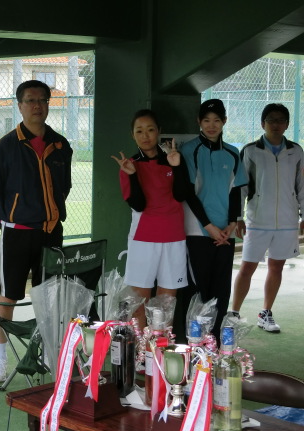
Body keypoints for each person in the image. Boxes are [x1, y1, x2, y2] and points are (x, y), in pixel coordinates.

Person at [0, 80, 72, 382]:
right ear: (20, 106)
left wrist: (50, 215)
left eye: (42, 100)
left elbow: (64, 187)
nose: (37, 105)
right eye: (30, 100)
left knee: (49, 296)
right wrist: (12, 221)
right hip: (16, 234)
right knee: (7, 297)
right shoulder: (5, 147)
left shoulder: (61, 144)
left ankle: (47, 351)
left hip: (51, 233)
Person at [112, 109, 199, 331]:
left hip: (173, 237)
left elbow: (181, 195)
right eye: (139, 131)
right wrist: (132, 175)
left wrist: (176, 166)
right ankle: (140, 347)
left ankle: (159, 347)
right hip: (143, 239)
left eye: (150, 130)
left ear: (159, 131)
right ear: (133, 135)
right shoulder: (129, 165)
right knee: (138, 300)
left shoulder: (173, 159)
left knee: (166, 301)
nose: (145, 135)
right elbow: (138, 205)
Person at [230, 103, 304, 333]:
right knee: (247, 267)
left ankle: (266, 313)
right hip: (257, 220)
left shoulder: (296, 151)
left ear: (287, 124)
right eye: (271, 119)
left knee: (276, 267)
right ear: (263, 123)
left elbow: (302, 186)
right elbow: (240, 186)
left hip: (287, 221)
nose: (276, 124)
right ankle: (233, 313)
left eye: (281, 120)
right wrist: (237, 216)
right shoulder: (251, 150)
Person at [179, 99, 248, 341]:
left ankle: (214, 344)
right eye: (206, 120)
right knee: (198, 290)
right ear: (199, 121)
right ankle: (193, 343)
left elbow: (235, 190)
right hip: (197, 230)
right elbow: (189, 194)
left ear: (224, 121)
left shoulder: (232, 153)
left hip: (225, 232)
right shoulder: (189, 150)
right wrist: (209, 227)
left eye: (217, 120)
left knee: (221, 289)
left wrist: (231, 224)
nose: (211, 125)